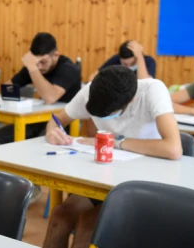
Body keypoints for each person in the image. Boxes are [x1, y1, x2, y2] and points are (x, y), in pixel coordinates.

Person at [43, 66, 182, 248]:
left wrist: (116, 141)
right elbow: (56, 120)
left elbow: (173, 149)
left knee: (89, 225)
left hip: (144, 184)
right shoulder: (92, 91)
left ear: (131, 100)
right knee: (59, 218)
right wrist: (52, 132)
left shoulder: (153, 91)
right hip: (104, 180)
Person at [0, 32, 81, 145]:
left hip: (64, 123)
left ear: (55, 55)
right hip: (38, 120)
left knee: (39, 145)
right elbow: (6, 87)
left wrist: (32, 67)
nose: (39, 67)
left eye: (43, 62)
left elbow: (50, 98)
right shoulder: (35, 66)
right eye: (36, 62)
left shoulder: (68, 69)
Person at [88, 40, 156, 82]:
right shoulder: (116, 59)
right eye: (125, 64)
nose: (128, 66)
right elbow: (92, 78)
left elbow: (145, 82)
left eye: (132, 63)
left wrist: (140, 57)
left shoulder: (148, 61)